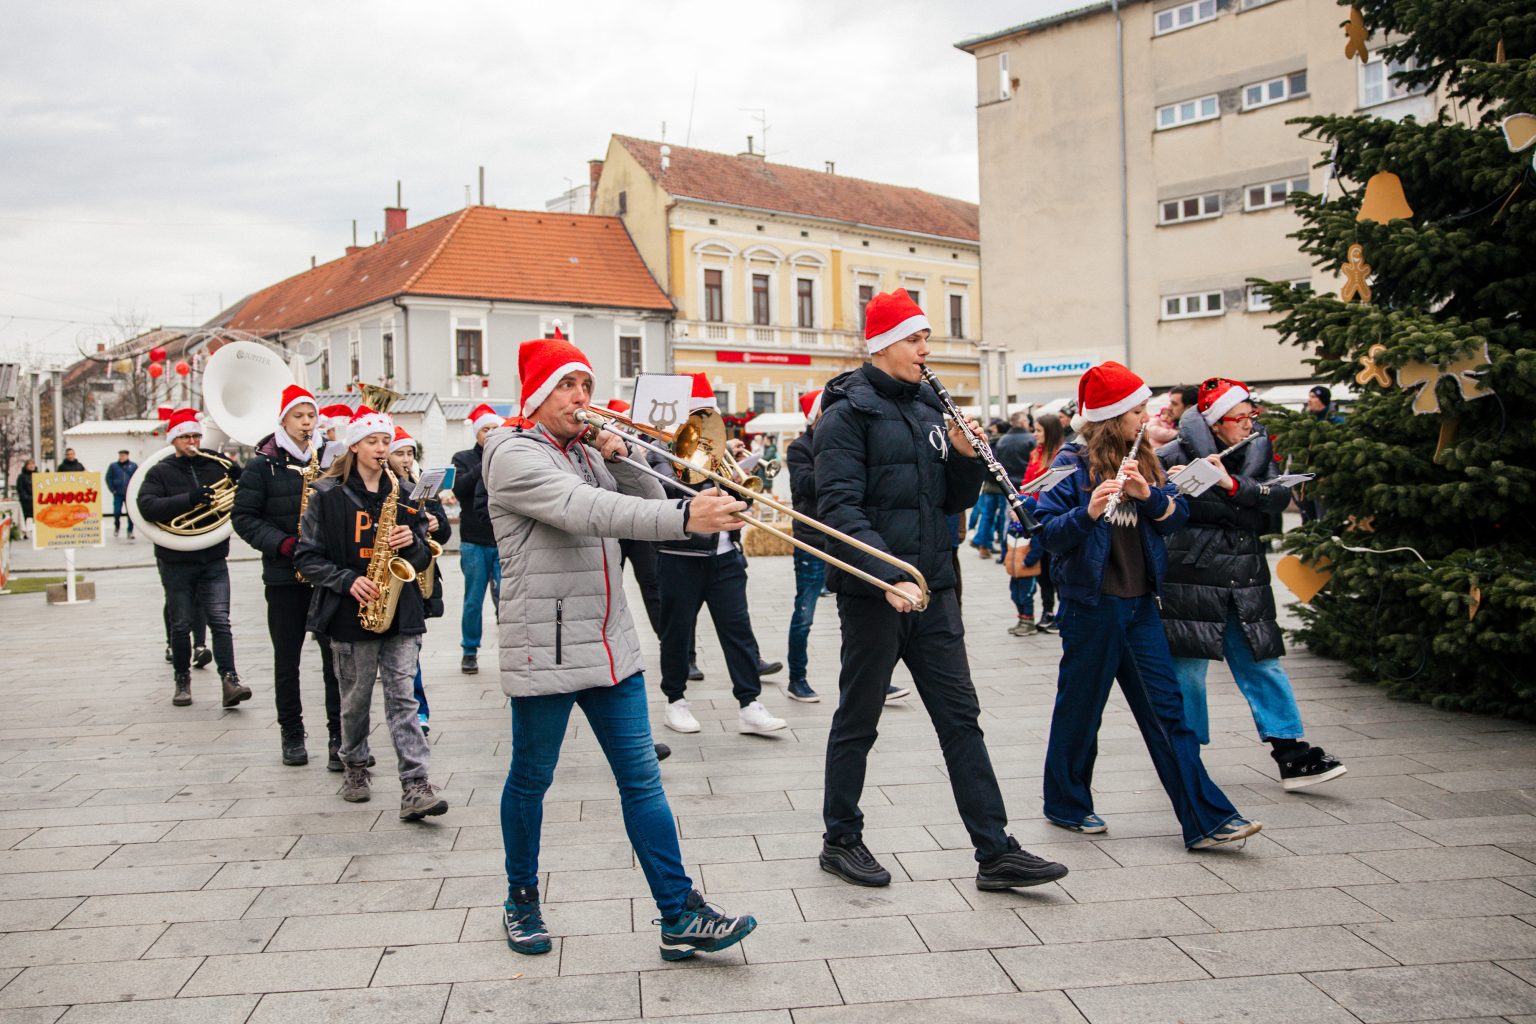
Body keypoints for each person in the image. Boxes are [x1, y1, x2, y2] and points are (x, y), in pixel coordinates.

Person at [483, 332, 758, 960]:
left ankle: (677, 912)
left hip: (611, 644)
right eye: (568, 386)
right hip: (547, 647)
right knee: (531, 780)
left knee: (642, 782)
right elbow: (588, 512)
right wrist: (689, 518)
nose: (583, 398)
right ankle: (520, 897)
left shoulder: (584, 451)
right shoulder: (513, 454)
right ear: (537, 394)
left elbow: (647, 504)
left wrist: (622, 455)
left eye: (586, 385)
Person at [814, 288, 1067, 891]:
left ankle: (995, 849)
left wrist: (962, 459)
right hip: (877, 591)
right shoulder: (845, 414)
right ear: (882, 345)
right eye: (915, 339)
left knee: (961, 719)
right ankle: (840, 838)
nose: (926, 351)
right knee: (860, 717)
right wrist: (888, 575)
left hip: (937, 589)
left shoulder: (932, 407)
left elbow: (951, 502)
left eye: (926, 338)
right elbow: (838, 508)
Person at [1035, 362, 1261, 849]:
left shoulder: (1148, 459)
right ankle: (1066, 803)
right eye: (1136, 410)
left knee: (1168, 713)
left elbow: (1174, 518)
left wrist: (1152, 498)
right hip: (1091, 608)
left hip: (1140, 607)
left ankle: (1206, 819)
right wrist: (1089, 510)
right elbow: (1046, 536)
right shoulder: (1068, 466)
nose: (1147, 417)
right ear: (1113, 418)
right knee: (1081, 710)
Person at [1158, 378, 1347, 790]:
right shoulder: (1172, 453)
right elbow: (1168, 512)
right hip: (1192, 577)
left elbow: (1276, 499)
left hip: (1244, 574)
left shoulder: (1258, 446)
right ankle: (1185, 756)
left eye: (1250, 416)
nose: (1247, 424)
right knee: (1187, 671)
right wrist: (1192, 490)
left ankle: (1291, 753)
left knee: (1263, 663)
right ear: (1214, 422)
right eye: (1238, 418)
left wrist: (1229, 485)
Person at [294, 405, 446, 820]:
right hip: (349, 610)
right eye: (374, 442)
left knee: (403, 698)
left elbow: (422, 556)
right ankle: (355, 764)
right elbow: (307, 557)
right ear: (355, 445)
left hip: (401, 610)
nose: (383, 449)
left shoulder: (403, 494)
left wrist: (411, 543)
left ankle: (416, 784)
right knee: (355, 699)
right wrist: (346, 580)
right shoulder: (326, 495)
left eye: (387, 442)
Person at [654, 373, 787, 737]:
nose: (705, 424)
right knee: (677, 632)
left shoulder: (722, 451)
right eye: (698, 415)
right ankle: (675, 701)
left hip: (726, 555)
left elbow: (742, 503)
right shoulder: (662, 448)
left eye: (709, 415)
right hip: (680, 556)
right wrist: (704, 469)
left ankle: (749, 704)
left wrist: (738, 475)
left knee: (738, 631)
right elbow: (667, 492)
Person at [232, 384, 342, 768]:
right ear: (283, 420)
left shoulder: (330, 459)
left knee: (336, 660)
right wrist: (282, 544)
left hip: (325, 576)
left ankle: (338, 737)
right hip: (284, 575)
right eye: (299, 416)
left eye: (311, 416)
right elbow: (244, 518)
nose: (307, 423)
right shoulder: (262, 465)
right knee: (287, 660)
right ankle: (292, 733)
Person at [135, 409, 250, 709]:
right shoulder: (160, 471)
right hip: (175, 560)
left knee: (220, 622)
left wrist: (241, 474)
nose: (193, 441)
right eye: (186, 436)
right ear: (174, 440)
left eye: (196, 435)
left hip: (213, 556)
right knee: (181, 623)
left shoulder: (216, 465)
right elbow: (147, 506)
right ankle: (182, 679)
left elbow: (245, 494)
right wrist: (190, 500)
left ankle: (230, 680)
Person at [387, 426, 452, 737]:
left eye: (409, 453)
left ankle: (418, 713)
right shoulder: (387, 488)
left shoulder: (422, 484)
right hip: (388, 574)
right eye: (399, 452)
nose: (405, 459)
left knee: (411, 651)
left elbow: (444, 535)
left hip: (417, 577)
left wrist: (436, 524)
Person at [453, 404, 504, 674]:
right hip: (473, 542)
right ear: (477, 433)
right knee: (473, 600)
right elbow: (460, 489)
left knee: (508, 598)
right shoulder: (463, 458)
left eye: (495, 428)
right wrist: (486, 459)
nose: (491, 433)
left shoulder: (507, 455)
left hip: (503, 540)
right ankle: (469, 650)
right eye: (486, 429)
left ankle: (513, 648)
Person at [1006, 415, 1067, 636]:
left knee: (1053, 571)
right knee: (1040, 571)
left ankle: (1056, 613)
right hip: (1033, 515)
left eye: (1039, 430)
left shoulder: (1061, 456)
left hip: (1051, 517)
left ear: (1049, 432)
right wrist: (1020, 507)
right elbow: (1027, 484)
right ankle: (1046, 612)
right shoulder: (1035, 454)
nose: (1035, 434)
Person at [784, 391, 826, 703]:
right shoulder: (800, 448)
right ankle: (797, 678)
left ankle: (874, 680)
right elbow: (807, 485)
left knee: (861, 615)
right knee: (805, 613)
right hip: (812, 539)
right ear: (815, 416)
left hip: (844, 538)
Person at [105, 450, 137, 539]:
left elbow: (137, 477)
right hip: (118, 493)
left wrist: (134, 490)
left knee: (131, 514)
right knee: (117, 512)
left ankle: (130, 531)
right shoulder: (113, 466)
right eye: (120, 455)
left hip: (129, 494)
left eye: (123, 455)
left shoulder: (133, 466)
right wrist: (112, 489)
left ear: (127, 456)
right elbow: (108, 478)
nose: (121, 457)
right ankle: (117, 526)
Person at [15, 458, 36, 538]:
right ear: (26, 466)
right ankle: (25, 532)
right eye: (29, 464)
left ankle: (33, 532)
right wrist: (27, 497)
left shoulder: (37, 475)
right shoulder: (21, 476)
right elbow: (20, 488)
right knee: (26, 517)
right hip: (26, 501)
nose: (31, 466)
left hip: (36, 500)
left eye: (32, 464)